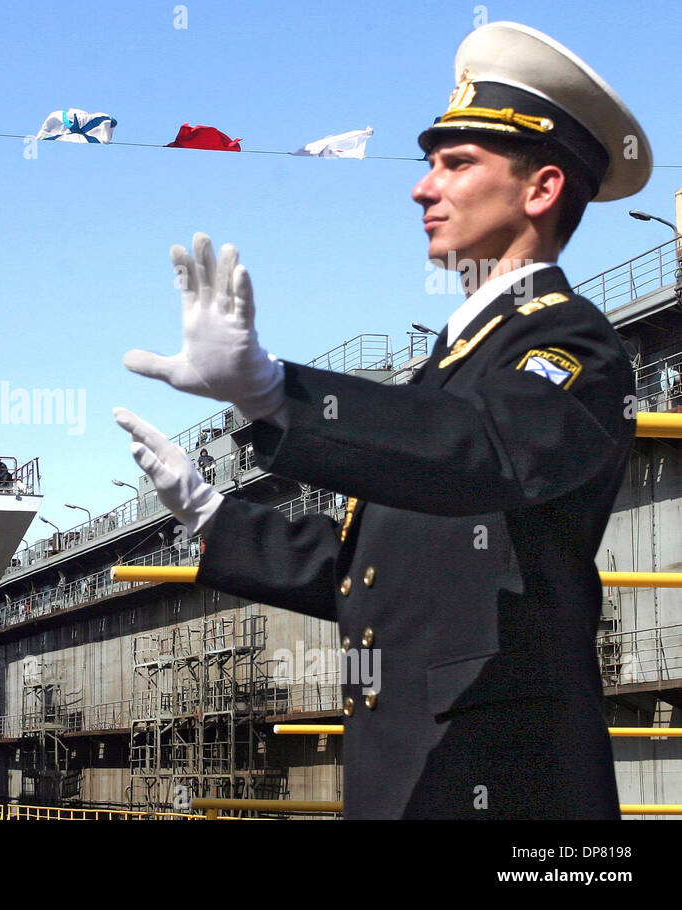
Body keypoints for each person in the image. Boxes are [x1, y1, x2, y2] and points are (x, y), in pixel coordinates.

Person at [114, 22, 648, 820]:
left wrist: (272, 391)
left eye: (456, 164)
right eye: (429, 164)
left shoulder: (572, 343)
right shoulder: (450, 369)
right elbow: (375, 578)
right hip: (412, 777)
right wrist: (210, 513)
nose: (421, 188)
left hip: (508, 787)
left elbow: (486, 453)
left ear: (539, 190)